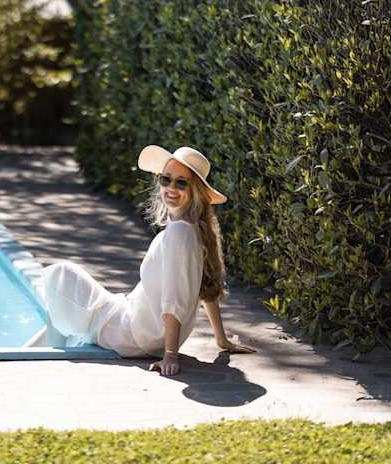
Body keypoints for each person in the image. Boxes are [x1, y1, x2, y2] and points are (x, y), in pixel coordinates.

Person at [40, 145, 255, 376]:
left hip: (134, 334)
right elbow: (207, 286)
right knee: (68, 298)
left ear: (195, 191)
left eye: (181, 183)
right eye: (166, 179)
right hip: (140, 326)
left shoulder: (180, 233)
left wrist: (170, 356)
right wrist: (221, 339)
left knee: (60, 275)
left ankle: (49, 355)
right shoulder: (192, 227)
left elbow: (173, 298)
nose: (171, 188)